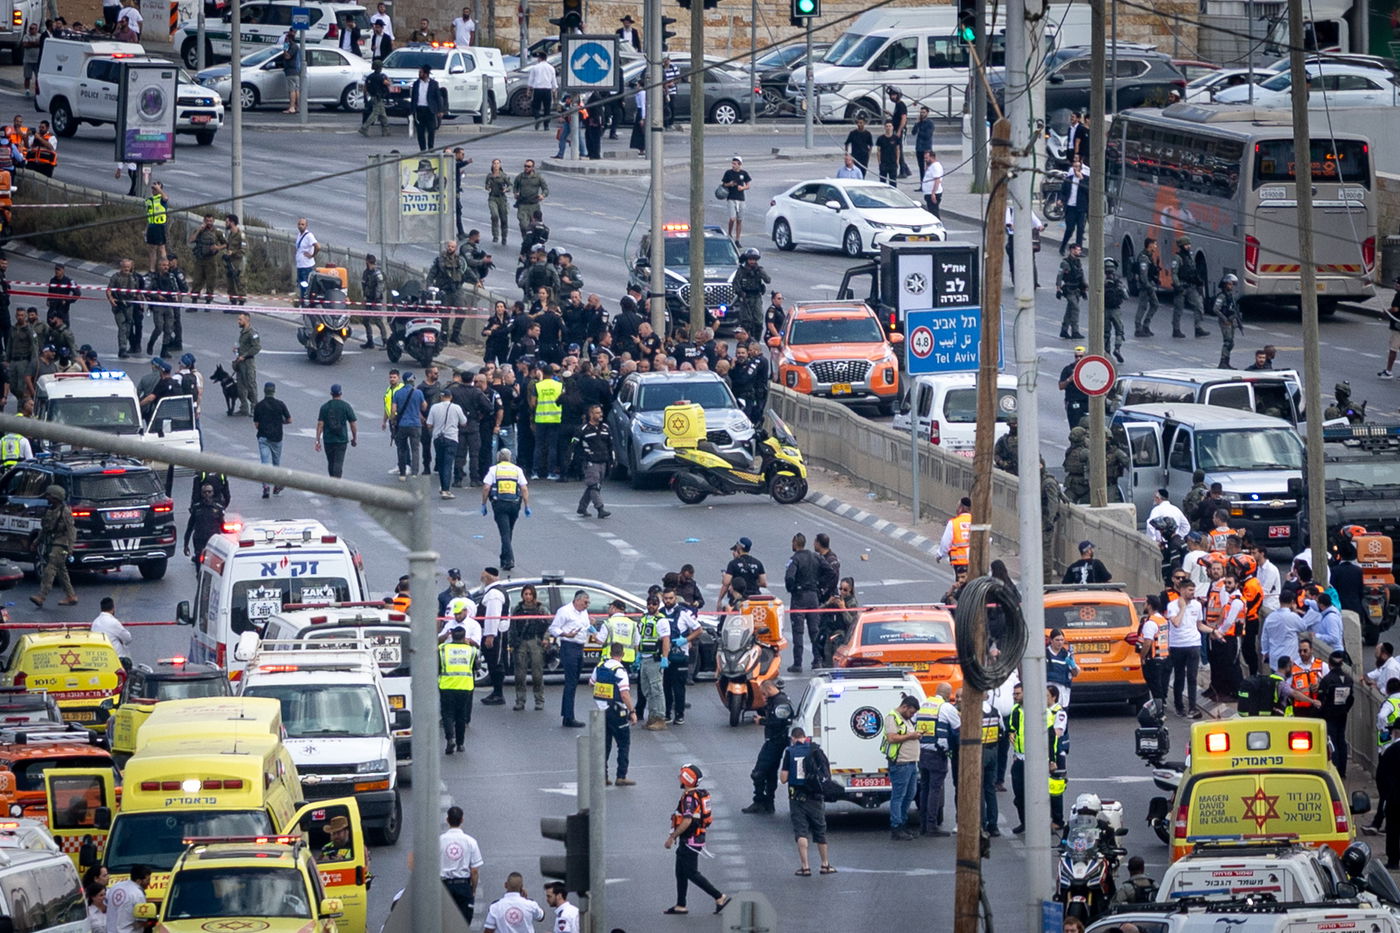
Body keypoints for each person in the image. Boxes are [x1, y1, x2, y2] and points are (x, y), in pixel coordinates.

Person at [664, 764, 730, 916]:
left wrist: (672, 837)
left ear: (686, 779)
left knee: (691, 872)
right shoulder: (697, 794)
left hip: (690, 840)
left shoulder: (689, 798)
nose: (678, 778)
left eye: (681, 776)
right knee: (680, 871)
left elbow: (686, 820)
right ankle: (681, 905)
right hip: (691, 838)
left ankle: (720, 897)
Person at [779, 726, 833, 875]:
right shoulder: (815, 750)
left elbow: (783, 779)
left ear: (793, 738)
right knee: (820, 830)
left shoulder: (790, 752)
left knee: (801, 832)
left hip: (796, 797)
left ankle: (805, 867)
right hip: (815, 796)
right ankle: (825, 864)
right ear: (804, 737)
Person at [743, 677, 793, 814]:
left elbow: (779, 722)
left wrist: (762, 721)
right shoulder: (776, 700)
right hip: (776, 740)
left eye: (764, 694)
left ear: (769, 690)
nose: (763, 697)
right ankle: (769, 803)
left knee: (758, 772)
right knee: (770, 773)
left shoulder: (780, 703)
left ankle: (759, 801)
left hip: (775, 741)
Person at [591, 642, 637, 785]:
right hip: (616, 712)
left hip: (600, 711)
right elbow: (624, 694)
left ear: (610, 653)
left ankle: (603, 777)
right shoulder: (620, 671)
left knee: (604, 745)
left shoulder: (599, 667)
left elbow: (591, 683)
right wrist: (632, 711)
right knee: (623, 743)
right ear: (622, 654)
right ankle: (621, 776)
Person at [548, 590, 591, 728]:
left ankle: (567, 714)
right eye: (585, 602)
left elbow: (585, 627)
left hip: (580, 647)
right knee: (570, 682)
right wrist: (565, 634)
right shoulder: (565, 611)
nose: (587, 605)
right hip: (569, 647)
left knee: (575, 681)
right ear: (577, 600)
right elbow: (553, 628)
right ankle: (568, 716)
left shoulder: (584, 612)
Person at [481, 448, 529, 572]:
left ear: (498, 458)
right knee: (508, 531)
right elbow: (524, 489)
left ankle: (509, 560)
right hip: (514, 504)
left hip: (500, 505)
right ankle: (504, 558)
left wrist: (484, 504)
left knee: (504, 533)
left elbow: (486, 487)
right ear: (510, 458)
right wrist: (527, 506)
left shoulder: (494, 470)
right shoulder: (517, 470)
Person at [29, 485, 76, 608]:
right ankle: (71, 596)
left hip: (61, 544)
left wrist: (70, 548)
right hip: (52, 542)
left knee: (50, 568)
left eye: (49, 495)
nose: (47, 497)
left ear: (55, 497)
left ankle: (41, 596)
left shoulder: (65, 511)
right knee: (61, 570)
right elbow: (45, 529)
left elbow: (71, 530)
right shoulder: (50, 510)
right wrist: (36, 542)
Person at [885, 693, 922, 840]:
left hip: (911, 763)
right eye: (911, 712)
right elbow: (892, 738)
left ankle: (903, 823)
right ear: (905, 706)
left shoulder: (906, 720)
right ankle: (896, 826)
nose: (912, 715)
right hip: (901, 763)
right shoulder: (892, 718)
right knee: (899, 796)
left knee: (910, 794)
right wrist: (911, 736)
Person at [784, 533, 822, 673]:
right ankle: (817, 660)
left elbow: (789, 577)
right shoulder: (815, 557)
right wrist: (819, 584)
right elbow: (829, 570)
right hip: (813, 597)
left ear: (795, 542)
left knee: (798, 631)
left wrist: (792, 589)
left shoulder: (795, 559)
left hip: (799, 598)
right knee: (815, 630)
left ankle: (798, 663)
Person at [439, 805, 483, 924]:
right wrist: (472, 890)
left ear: (447, 820)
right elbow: (474, 871)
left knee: (445, 923)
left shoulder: (439, 841)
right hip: (463, 886)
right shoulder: (470, 842)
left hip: (444, 886)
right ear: (462, 820)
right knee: (463, 924)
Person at [438, 625, 478, 755]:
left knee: (447, 714)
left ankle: (450, 739)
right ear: (464, 636)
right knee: (461, 715)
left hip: (447, 686)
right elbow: (476, 666)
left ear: (452, 635)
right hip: (465, 686)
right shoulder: (471, 650)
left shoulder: (443, 649)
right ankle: (460, 744)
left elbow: (438, 666)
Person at [1167, 579, 1204, 718]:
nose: (1192, 593)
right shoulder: (1172, 606)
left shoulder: (1197, 605)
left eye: (1193, 591)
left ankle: (1193, 707)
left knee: (1192, 677)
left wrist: (1213, 631)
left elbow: (1199, 624)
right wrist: (1182, 608)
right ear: (1182, 591)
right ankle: (1179, 705)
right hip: (1178, 645)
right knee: (1179, 676)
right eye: (1189, 590)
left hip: (1193, 643)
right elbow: (1176, 623)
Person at [511, 584, 549, 710]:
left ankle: (539, 700)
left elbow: (549, 624)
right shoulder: (517, 609)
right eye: (525, 594)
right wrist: (512, 643)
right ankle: (520, 700)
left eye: (530, 594)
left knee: (537, 674)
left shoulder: (541, 609)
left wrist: (546, 639)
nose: (528, 597)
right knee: (519, 675)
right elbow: (512, 627)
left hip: (535, 642)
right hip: (521, 643)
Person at [251, 382, 290, 498]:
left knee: (264, 463)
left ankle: (266, 487)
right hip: (277, 438)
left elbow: (256, 424)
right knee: (276, 463)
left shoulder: (259, 405)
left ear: (264, 391)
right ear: (274, 391)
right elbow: (289, 419)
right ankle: (277, 485)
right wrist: (280, 422)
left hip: (263, 437)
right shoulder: (280, 404)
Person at [427, 389, 468, 498]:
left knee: (440, 463)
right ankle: (446, 489)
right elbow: (463, 422)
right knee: (448, 464)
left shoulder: (434, 407)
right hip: (451, 438)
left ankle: (443, 485)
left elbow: (429, 424)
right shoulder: (456, 408)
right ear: (451, 397)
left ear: (441, 397)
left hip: (438, 438)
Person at [575, 403, 613, 518]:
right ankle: (600, 509)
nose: (600, 415)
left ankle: (582, 507)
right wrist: (577, 459)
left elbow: (611, 445)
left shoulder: (605, 428)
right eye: (597, 413)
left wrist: (612, 459)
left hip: (603, 461)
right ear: (591, 414)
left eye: (600, 412)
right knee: (594, 486)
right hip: (590, 462)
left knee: (594, 486)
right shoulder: (582, 429)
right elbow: (574, 445)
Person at [315, 384, 358, 478]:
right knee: (338, 462)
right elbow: (353, 424)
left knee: (331, 462)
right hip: (341, 440)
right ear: (341, 393)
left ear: (331, 393)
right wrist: (354, 438)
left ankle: (332, 481)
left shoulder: (325, 407)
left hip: (328, 440)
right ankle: (336, 484)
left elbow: (320, 425)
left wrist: (317, 440)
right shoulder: (346, 406)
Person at [1171, 235, 1208, 339]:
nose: (1188, 246)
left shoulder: (1190, 257)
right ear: (1182, 246)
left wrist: (1199, 282)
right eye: (1186, 245)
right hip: (1181, 286)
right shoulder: (1177, 258)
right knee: (1178, 309)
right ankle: (1176, 329)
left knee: (1199, 306)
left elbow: (1193, 271)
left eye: (1189, 244)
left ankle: (1198, 328)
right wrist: (1178, 286)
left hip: (1191, 286)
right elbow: (1174, 273)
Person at [105, 863, 149, 933]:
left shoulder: (115, 887)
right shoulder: (138, 894)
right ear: (139, 880)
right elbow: (141, 921)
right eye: (147, 880)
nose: (149, 883)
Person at [409, 65, 445, 151]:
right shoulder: (416, 84)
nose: (419, 74)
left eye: (421, 72)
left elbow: (438, 97)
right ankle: (422, 149)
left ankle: (431, 147)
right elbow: (413, 97)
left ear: (426, 74)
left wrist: (440, 110)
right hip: (419, 109)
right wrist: (412, 110)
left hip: (430, 110)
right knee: (420, 131)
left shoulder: (434, 84)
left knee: (431, 130)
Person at [1379, 721, 1400, 868]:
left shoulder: (1392, 750)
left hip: (1396, 797)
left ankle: (1393, 861)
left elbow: (1381, 775)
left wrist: (1386, 795)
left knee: (1393, 829)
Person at [936, 497, 972, 580]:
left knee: (960, 589)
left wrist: (940, 554)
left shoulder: (954, 523)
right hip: (976, 563)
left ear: (961, 508)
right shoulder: (977, 522)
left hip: (960, 564)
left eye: (957, 506)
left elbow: (945, 543)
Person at [1058, 155, 1089, 254]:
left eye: (1077, 167)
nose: (1075, 169)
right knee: (1070, 229)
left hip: (1081, 208)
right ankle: (1063, 247)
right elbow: (1063, 191)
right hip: (1070, 207)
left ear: (1080, 168)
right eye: (1074, 167)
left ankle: (1078, 250)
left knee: (1080, 229)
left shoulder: (1086, 179)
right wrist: (1061, 200)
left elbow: (1088, 191)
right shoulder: (1069, 179)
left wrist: (1081, 179)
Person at [1056, 243, 1087, 340]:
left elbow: (1081, 275)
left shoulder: (1078, 262)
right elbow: (1059, 276)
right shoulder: (1065, 263)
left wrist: (1084, 287)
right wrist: (1058, 288)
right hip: (1069, 289)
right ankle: (1075, 331)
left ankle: (1064, 330)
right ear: (1072, 250)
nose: (1079, 252)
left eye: (1079, 250)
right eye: (1077, 250)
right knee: (1075, 309)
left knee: (1070, 310)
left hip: (1077, 289)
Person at [1212, 273, 1241, 368]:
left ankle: (1226, 362)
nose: (1231, 286)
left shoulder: (1230, 296)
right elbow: (1216, 309)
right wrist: (1225, 319)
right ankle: (1223, 362)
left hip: (1231, 321)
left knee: (1231, 342)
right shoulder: (1222, 296)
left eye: (1232, 284)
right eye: (1229, 284)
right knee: (1227, 342)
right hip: (1225, 321)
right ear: (1225, 285)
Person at [1134, 237, 1161, 337]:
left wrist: (1155, 278)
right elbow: (1143, 275)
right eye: (1155, 244)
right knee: (1143, 306)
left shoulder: (1150, 256)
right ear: (1150, 245)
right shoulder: (1144, 258)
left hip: (1149, 284)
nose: (1156, 246)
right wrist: (1148, 286)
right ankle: (1138, 328)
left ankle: (1146, 325)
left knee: (1155, 304)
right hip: (1145, 286)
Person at [721, 156, 751, 243]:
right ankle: (729, 233)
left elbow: (748, 185)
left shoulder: (744, 173)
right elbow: (723, 184)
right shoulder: (728, 173)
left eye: (735, 164)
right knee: (732, 218)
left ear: (739, 164)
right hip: (731, 198)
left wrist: (742, 188)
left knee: (739, 220)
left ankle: (737, 239)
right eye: (732, 163)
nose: (733, 165)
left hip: (741, 198)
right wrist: (729, 184)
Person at [1058, 346, 1089, 430]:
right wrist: (1069, 379)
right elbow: (1061, 386)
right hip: (1074, 403)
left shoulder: (1089, 368)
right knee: (1075, 428)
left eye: (1081, 356)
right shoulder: (1068, 369)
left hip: (1087, 402)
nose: (1078, 358)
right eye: (1076, 356)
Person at [526, 51, 558, 131]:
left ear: (540, 58)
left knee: (535, 106)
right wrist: (554, 92)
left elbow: (531, 80)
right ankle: (546, 125)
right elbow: (554, 81)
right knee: (547, 108)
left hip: (538, 89)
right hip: (547, 90)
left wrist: (529, 90)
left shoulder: (535, 67)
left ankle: (538, 118)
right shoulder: (551, 68)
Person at [360, 57, 391, 135]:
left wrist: (365, 98)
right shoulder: (381, 77)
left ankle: (385, 130)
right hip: (378, 97)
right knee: (375, 114)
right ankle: (364, 128)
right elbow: (387, 83)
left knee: (383, 114)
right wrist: (388, 79)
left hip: (373, 97)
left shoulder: (370, 77)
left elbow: (365, 88)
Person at [144, 183, 169, 271]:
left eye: (156, 189)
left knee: (161, 248)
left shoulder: (161, 198)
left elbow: (166, 198)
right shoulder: (149, 200)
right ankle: (152, 270)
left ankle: (165, 268)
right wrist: (146, 229)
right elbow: (149, 215)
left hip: (160, 226)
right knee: (151, 249)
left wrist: (159, 189)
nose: (154, 190)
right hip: (151, 226)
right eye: (153, 189)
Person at [1380, 275, 1400, 378]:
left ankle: (1388, 371)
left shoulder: (1398, 295)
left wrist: (1387, 311)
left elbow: (1396, 309)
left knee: (1393, 349)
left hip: (1398, 327)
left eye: (1396, 283)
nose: (1394, 285)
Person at [279, 30, 301, 113]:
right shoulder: (295, 46)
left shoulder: (292, 47)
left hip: (291, 71)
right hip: (295, 70)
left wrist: (284, 49)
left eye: (286, 39)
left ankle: (292, 107)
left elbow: (287, 56)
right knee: (296, 89)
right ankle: (297, 106)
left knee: (292, 90)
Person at [874, 120, 900, 186]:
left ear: (892, 127)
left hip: (893, 163)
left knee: (893, 182)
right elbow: (878, 151)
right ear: (885, 127)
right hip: (884, 163)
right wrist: (879, 162)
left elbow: (897, 150)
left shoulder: (896, 138)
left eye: (890, 126)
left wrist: (897, 160)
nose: (888, 128)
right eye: (887, 126)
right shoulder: (880, 138)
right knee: (882, 182)